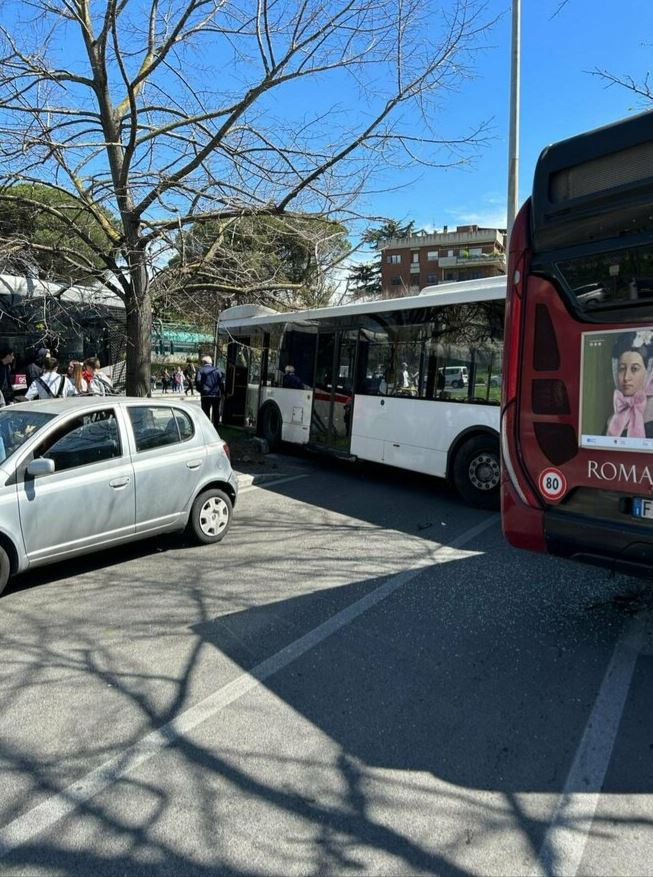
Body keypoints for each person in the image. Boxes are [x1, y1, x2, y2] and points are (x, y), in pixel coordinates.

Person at [606, 333, 653, 438]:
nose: (626, 377)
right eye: (622, 369)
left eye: (634, 369)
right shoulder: (612, 421)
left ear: (648, 372)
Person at [196, 355, 225, 428]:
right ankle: (216, 427)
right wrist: (223, 393)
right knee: (216, 411)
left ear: (204, 362)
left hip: (205, 394)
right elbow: (221, 383)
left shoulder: (200, 370)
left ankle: (207, 427)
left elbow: (198, 381)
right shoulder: (217, 370)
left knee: (206, 412)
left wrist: (200, 390)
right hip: (216, 394)